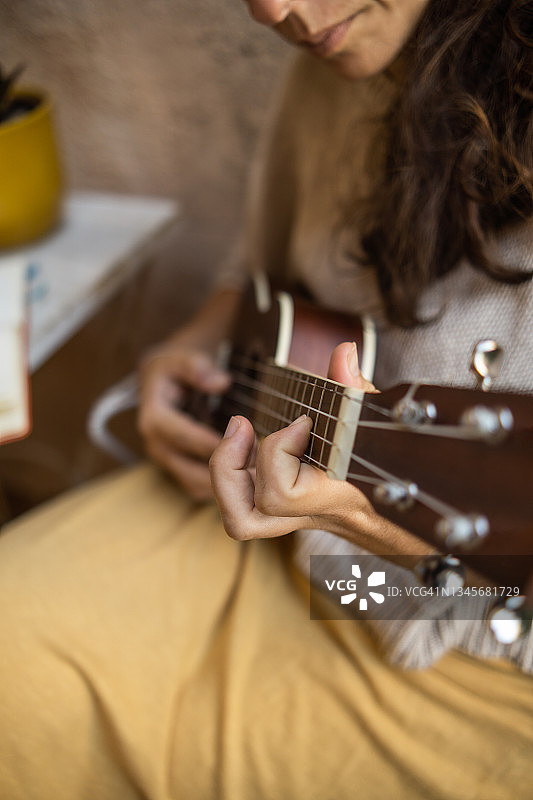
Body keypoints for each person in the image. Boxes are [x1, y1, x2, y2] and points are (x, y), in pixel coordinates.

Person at [1, 0, 532, 797]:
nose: (276, 9)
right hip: (275, 536)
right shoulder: (331, 60)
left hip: (472, 638)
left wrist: (361, 524)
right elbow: (253, 273)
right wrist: (184, 346)